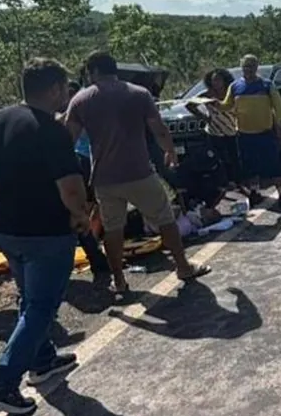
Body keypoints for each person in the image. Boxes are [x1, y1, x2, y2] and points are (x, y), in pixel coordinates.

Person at [0, 59, 88, 414]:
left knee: (29, 297)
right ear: (53, 88)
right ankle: (2, 383)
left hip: (6, 226)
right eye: (65, 88)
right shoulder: (51, 130)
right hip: (46, 231)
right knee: (41, 306)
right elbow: (70, 187)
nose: (67, 94)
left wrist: (6, 202)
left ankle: (42, 360)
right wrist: (81, 216)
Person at [64, 51, 211, 297]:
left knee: (113, 229)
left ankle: (119, 281)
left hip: (104, 178)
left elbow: (68, 139)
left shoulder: (81, 99)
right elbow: (159, 129)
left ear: (93, 72)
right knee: (165, 219)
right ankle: (183, 267)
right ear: (115, 70)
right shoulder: (138, 94)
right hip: (139, 172)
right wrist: (170, 152)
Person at [213, 54, 281, 210]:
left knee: (273, 166)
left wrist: (280, 124)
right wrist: (215, 104)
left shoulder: (267, 85)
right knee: (250, 168)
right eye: (245, 67)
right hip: (245, 135)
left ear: (256, 68)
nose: (248, 70)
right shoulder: (235, 87)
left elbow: (278, 106)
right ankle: (255, 193)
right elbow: (227, 105)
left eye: (251, 67)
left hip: (265, 134)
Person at [62, 80, 111, 282]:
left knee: (90, 204)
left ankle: (94, 238)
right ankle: (93, 242)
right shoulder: (70, 114)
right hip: (80, 161)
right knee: (87, 206)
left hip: (87, 160)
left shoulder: (76, 113)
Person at [199, 68, 241, 187]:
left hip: (231, 129)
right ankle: (223, 182)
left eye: (218, 80)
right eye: (213, 80)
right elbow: (190, 105)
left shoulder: (231, 92)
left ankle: (237, 180)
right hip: (214, 131)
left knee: (234, 157)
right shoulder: (207, 94)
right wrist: (204, 117)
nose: (215, 82)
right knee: (218, 158)